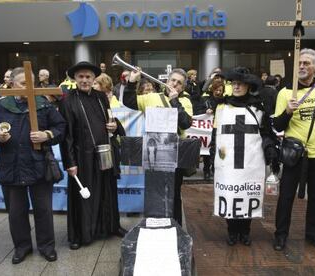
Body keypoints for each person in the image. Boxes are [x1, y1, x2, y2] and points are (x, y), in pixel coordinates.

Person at [0, 67, 66, 264]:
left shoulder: (43, 104)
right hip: (12, 166)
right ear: (12, 84)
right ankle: (22, 246)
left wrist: (47, 135)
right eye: (23, 83)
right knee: (16, 212)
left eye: (31, 83)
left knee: (43, 210)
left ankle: (46, 246)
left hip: (39, 165)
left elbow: (60, 127)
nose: (29, 87)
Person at [272, 49, 315, 252]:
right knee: (286, 196)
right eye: (299, 63)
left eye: (306, 63)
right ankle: (281, 235)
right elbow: (278, 125)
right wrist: (288, 112)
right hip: (295, 155)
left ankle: (313, 234)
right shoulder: (285, 93)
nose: (301, 66)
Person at [59, 61, 127, 250]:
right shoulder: (67, 100)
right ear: (75, 79)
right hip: (82, 157)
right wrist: (70, 162)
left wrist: (114, 126)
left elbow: (110, 119)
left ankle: (112, 226)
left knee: (108, 191)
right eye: (81, 77)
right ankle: (79, 235)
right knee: (84, 196)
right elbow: (67, 136)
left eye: (88, 77)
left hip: (104, 152)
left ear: (93, 78)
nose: (85, 80)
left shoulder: (101, 97)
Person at [210, 67, 277, 246]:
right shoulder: (222, 106)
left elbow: (266, 133)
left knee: (248, 195)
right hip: (228, 163)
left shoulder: (258, 107)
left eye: (240, 84)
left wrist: (270, 148)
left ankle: (245, 231)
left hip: (251, 162)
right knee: (230, 195)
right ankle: (232, 231)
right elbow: (216, 132)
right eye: (234, 83)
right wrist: (212, 153)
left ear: (248, 85)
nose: (236, 87)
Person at [123, 68, 193, 225]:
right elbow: (129, 102)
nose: (174, 84)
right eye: (173, 80)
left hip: (175, 154)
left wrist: (175, 101)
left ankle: (175, 226)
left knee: (174, 193)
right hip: (154, 152)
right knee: (154, 191)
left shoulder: (186, 101)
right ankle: (155, 224)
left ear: (183, 87)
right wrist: (132, 82)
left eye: (179, 83)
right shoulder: (152, 97)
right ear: (167, 81)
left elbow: (185, 123)